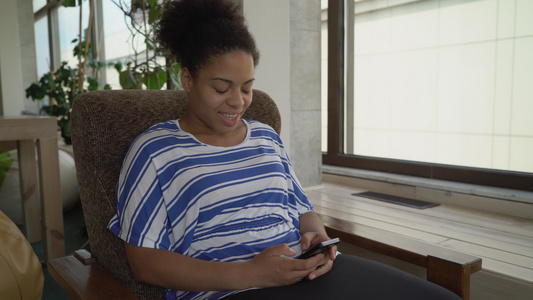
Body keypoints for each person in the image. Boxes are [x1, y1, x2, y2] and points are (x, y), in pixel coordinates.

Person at [108, 1, 461, 299]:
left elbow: (302, 210)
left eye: (247, 88)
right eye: (221, 87)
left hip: (308, 275)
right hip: (233, 290)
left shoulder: (265, 137)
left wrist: (319, 239)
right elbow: (144, 262)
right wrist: (250, 273)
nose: (238, 101)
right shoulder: (155, 150)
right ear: (188, 79)